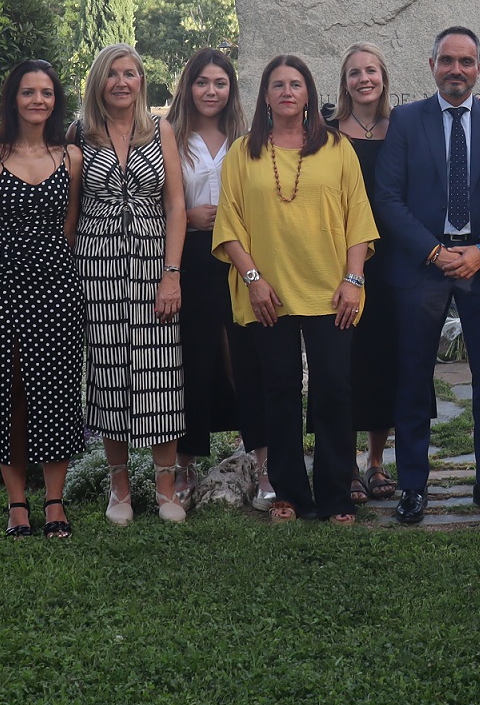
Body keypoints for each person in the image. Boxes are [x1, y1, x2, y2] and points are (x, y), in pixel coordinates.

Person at [213, 55, 378, 523]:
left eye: (296, 84)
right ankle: (288, 493)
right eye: (278, 85)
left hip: (331, 292)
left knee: (334, 390)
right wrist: (253, 280)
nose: (287, 92)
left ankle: (335, 494)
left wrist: (353, 280)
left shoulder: (337, 147)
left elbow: (358, 217)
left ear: (309, 94)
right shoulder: (243, 152)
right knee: (279, 391)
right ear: (265, 96)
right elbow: (229, 224)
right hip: (268, 294)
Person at [376, 27, 480, 524]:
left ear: (479, 68)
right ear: (432, 65)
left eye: (465, 61)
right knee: (413, 377)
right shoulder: (406, 120)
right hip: (423, 265)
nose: (455, 70)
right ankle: (413, 486)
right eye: (447, 60)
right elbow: (388, 197)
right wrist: (434, 251)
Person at [0, 61, 87, 539]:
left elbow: (69, 227)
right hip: (1, 285)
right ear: (13, 99)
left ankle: (54, 502)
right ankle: (17, 505)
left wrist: (64, 280)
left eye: (46, 93)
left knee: (57, 390)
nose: (38, 100)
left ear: (56, 100)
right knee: (10, 391)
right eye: (28, 92)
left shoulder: (71, 157)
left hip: (57, 286)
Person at [75, 45, 189, 525]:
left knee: (161, 372)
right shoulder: (79, 133)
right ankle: (119, 487)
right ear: (98, 82)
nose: (122, 82)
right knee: (107, 371)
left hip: (152, 265)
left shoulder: (161, 130)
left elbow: (176, 205)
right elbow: (72, 208)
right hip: (96, 265)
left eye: (131, 73)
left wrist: (171, 274)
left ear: (142, 81)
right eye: (112, 74)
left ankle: (166, 488)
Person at [166, 49, 253, 495]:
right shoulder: (170, 137)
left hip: (241, 258)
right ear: (189, 86)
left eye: (220, 83)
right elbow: (157, 200)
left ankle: (255, 451)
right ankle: (185, 464)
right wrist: (188, 218)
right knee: (193, 359)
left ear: (231, 89)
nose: (211, 91)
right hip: (193, 256)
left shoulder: (246, 138)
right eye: (202, 82)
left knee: (243, 354)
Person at [334, 43, 401, 504]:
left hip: (392, 259)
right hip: (338, 259)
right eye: (355, 72)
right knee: (342, 363)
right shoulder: (326, 132)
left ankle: (376, 460)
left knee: (383, 360)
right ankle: (344, 461)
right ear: (345, 82)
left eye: (371, 71)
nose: (364, 79)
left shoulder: (402, 129)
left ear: (383, 77)